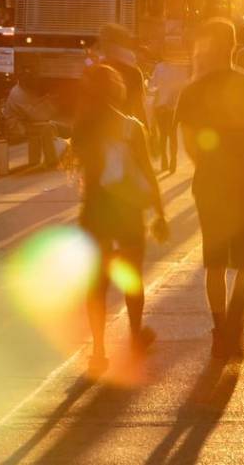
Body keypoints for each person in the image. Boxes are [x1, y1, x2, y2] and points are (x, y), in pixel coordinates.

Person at [176, 19, 244, 359]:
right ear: (233, 46)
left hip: (209, 185)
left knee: (214, 262)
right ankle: (235, 321)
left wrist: (207, 164)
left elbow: (188, 143)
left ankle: (221, 330)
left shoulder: (192, 90)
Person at [72, 63, 168, 376]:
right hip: (127, 213)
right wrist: (160, 212)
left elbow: (82, 169)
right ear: (116, 90)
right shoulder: (132, 127)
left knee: (96, 283)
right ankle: (136, 334)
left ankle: (98, 350)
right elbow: (147, 171)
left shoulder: (83, 128)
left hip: (95, 214)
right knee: (131, 276)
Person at [5, 73, 61, 170]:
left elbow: (32, 104)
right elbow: (31, 113)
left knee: (44, 126)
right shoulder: (19, 93)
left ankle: (35, 161)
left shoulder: (20, 90)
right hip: (16, 126)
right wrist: (47, 110)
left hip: (22, 122)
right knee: (46, 128)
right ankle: (51, 161)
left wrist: (44, 99)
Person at [149, 52, 191, 173]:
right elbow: (184, 86)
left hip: (162, 106)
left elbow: (152, 86)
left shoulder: (159, 67)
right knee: (172, 135)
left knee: (163, 135)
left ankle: (165, 161)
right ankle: (172, 161)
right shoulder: (180, 68)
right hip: (173, 107)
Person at [98, 23, 147, 127]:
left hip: (113, 130)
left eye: (106, 41)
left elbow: (138, 107)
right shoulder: (97, 69)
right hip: (112, 130)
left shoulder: (134, 73)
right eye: (102, 41)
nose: (102, 45)